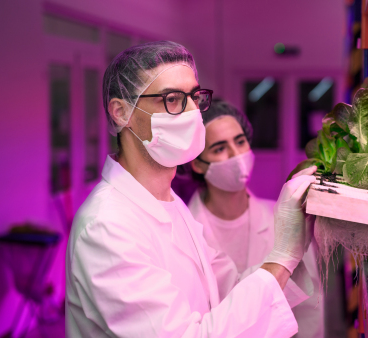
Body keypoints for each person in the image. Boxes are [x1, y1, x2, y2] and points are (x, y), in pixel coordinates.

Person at [65, 41, 318, 337]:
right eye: (172, 99)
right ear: (122, 113)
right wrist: (282, 256)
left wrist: (294, 246)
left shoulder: (168, 201)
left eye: (194, 97)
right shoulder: (106, 227)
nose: (191, 113)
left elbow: (229, 292)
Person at [188, 100, 324, 338]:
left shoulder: (284, 219)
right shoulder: (185, 231)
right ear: (197, 163)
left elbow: (310, 310)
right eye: (219, 148)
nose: (236, 155)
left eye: (240, 142)